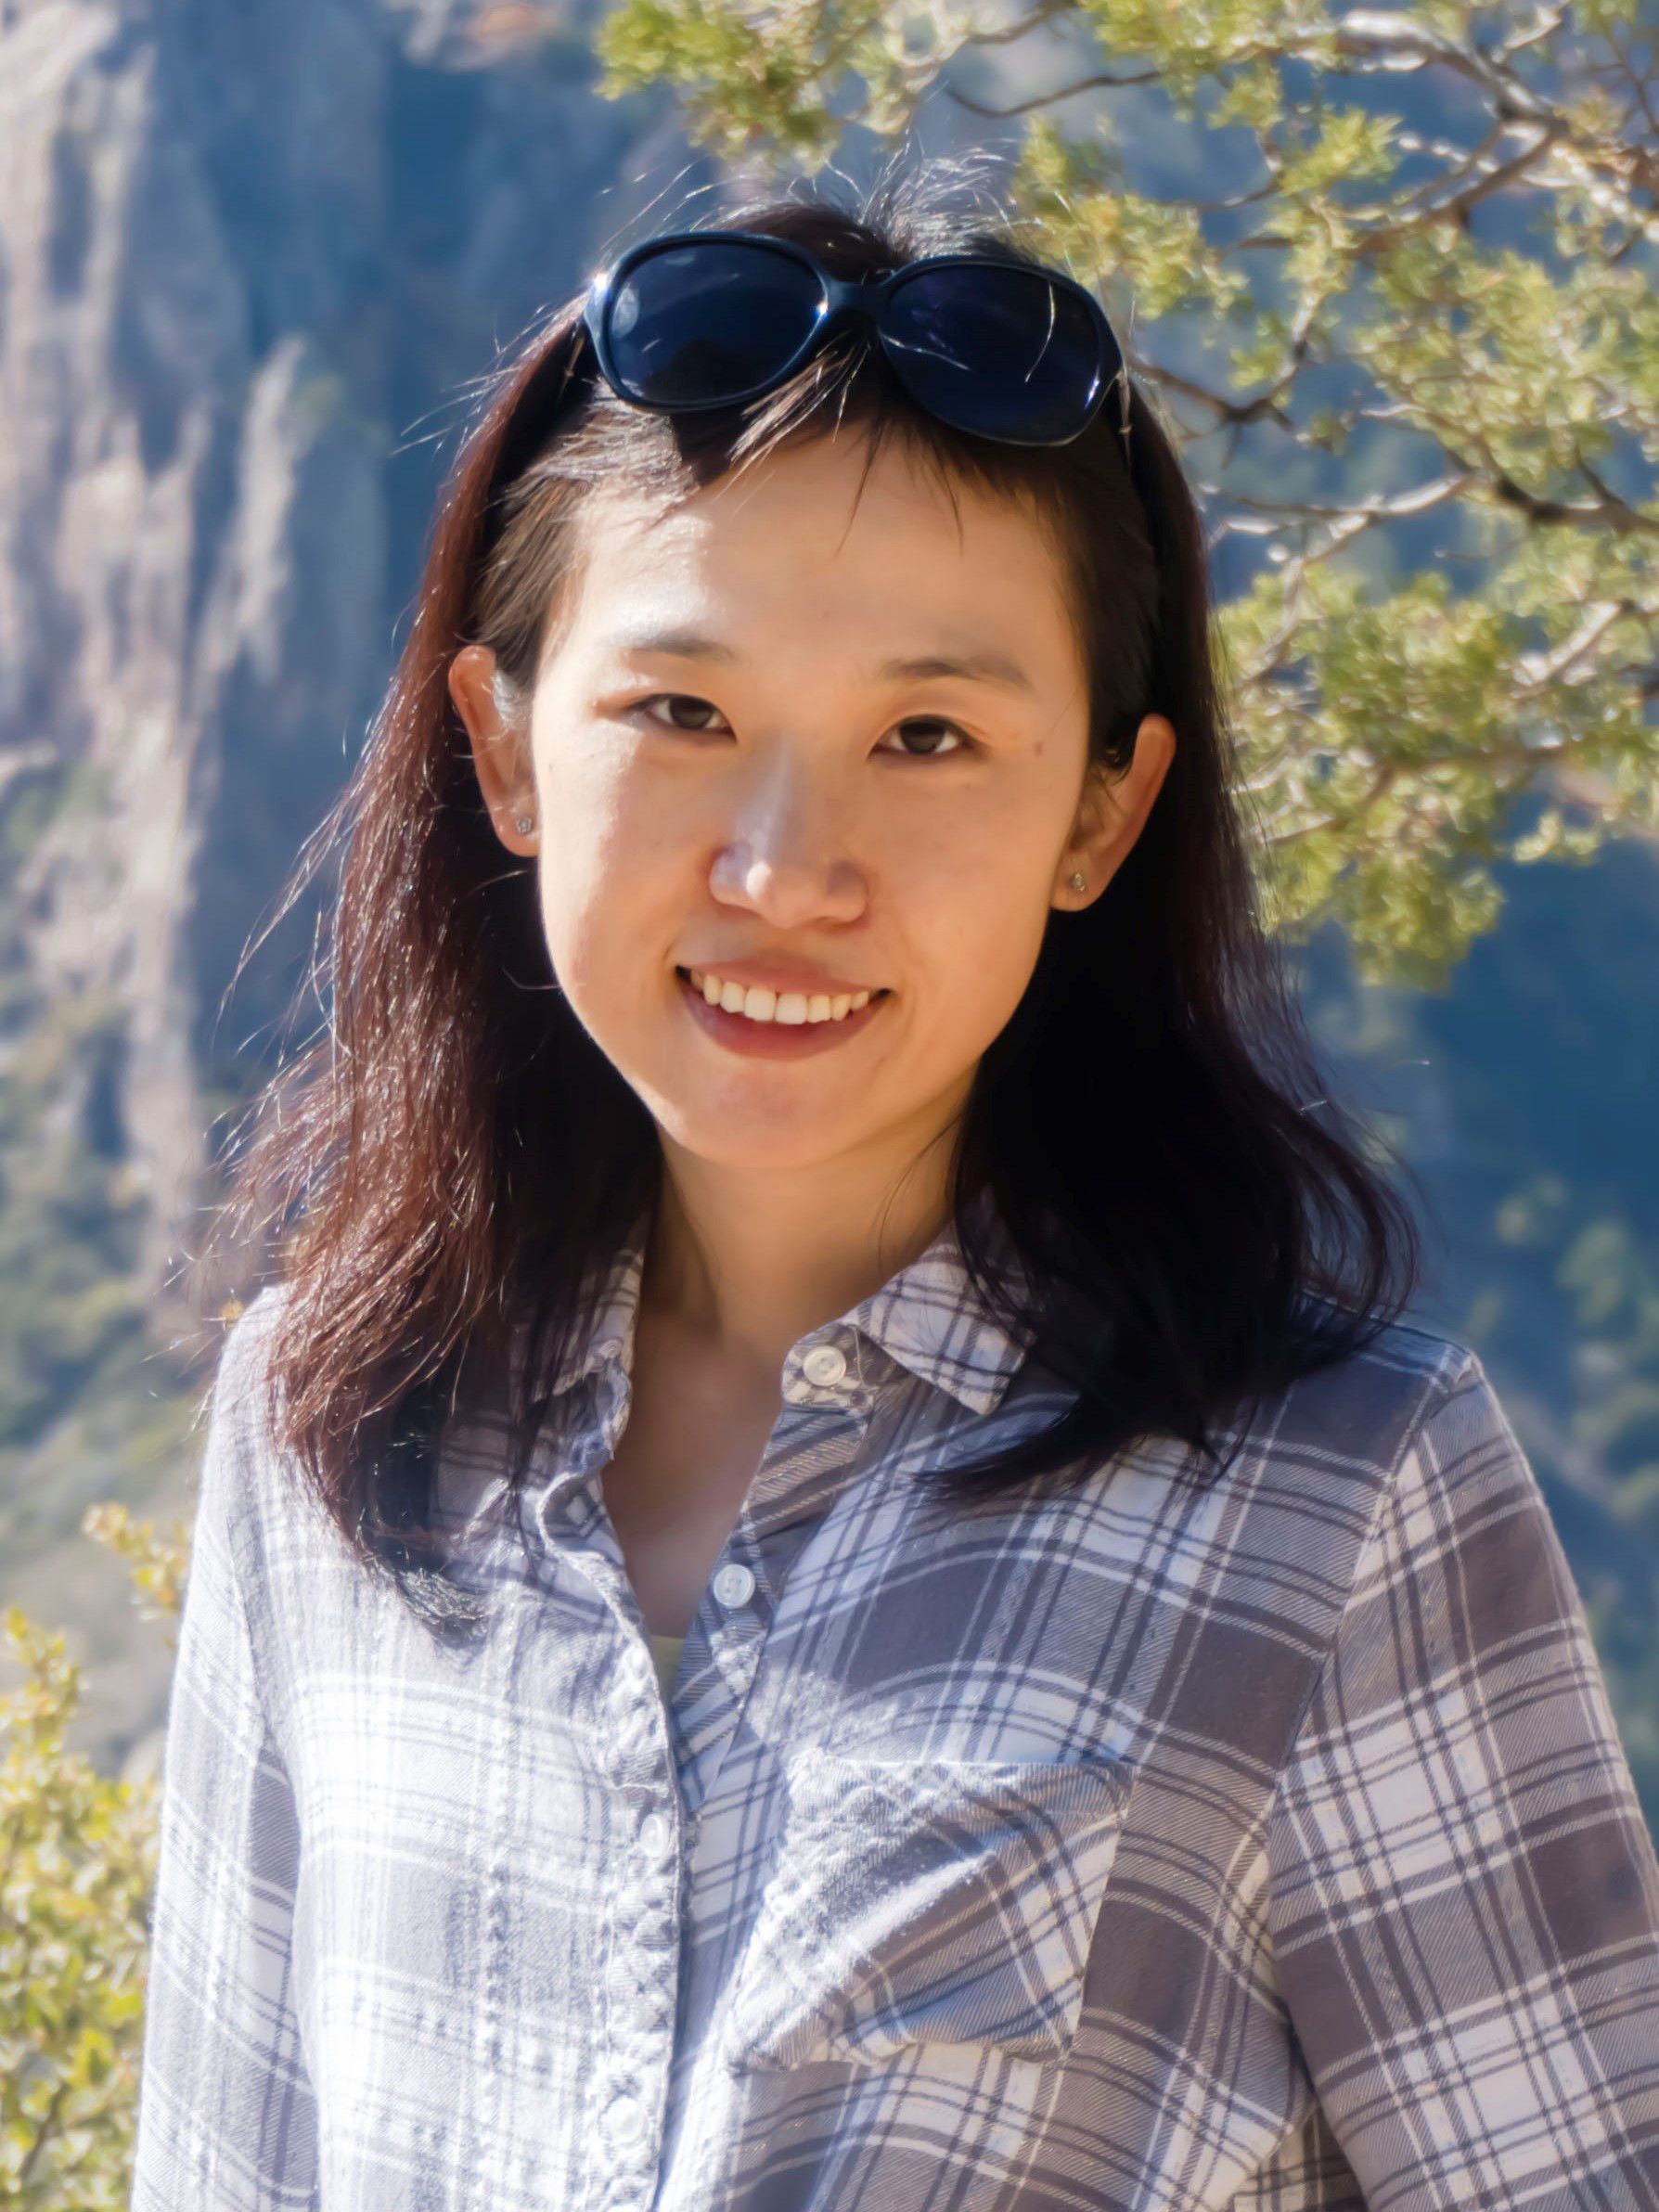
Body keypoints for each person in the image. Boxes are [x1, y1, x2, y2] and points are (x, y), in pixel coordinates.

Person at [130, 165, 1659, 2212]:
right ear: (502, 751)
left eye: (930, 735)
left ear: (1103, 811)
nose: (785, 866)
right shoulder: (326, 1434)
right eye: (682, 711)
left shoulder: (1336, 1497)